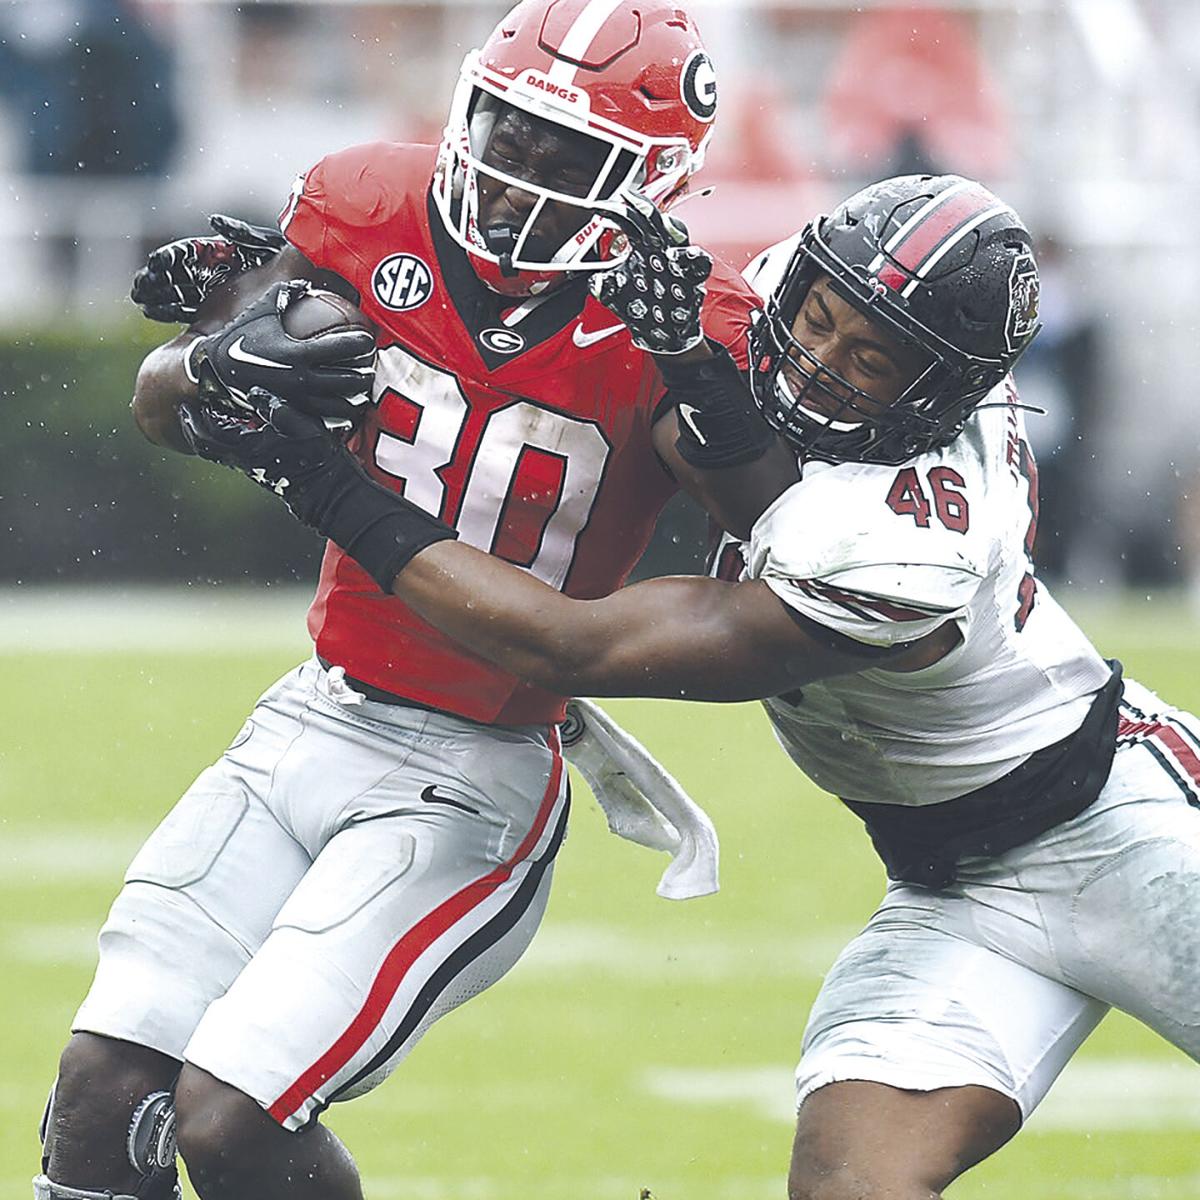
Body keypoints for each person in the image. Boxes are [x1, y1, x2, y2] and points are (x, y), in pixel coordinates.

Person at [186, 172, 1200, 1199]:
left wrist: (317, 480)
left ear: (936, 393)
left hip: (1124, 832)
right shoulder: (769, 323)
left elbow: (567, 648)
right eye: (816, 319)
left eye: (871, 360)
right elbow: (567, 353)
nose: (817, 365)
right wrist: (296, 285)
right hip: (952, 887)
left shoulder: (901, 545)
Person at [35, 3, 798, 1199]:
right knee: (100, 1092)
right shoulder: (365, 204)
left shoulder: (677, 325)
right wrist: (212, 358)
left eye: (564, 157)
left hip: (474, 766)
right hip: (314, 711)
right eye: (506, 127)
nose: (511, 174)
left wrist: (705, 377)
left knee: (231, 1117)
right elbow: (172, 399)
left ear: (649, 180)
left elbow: (775, 530)